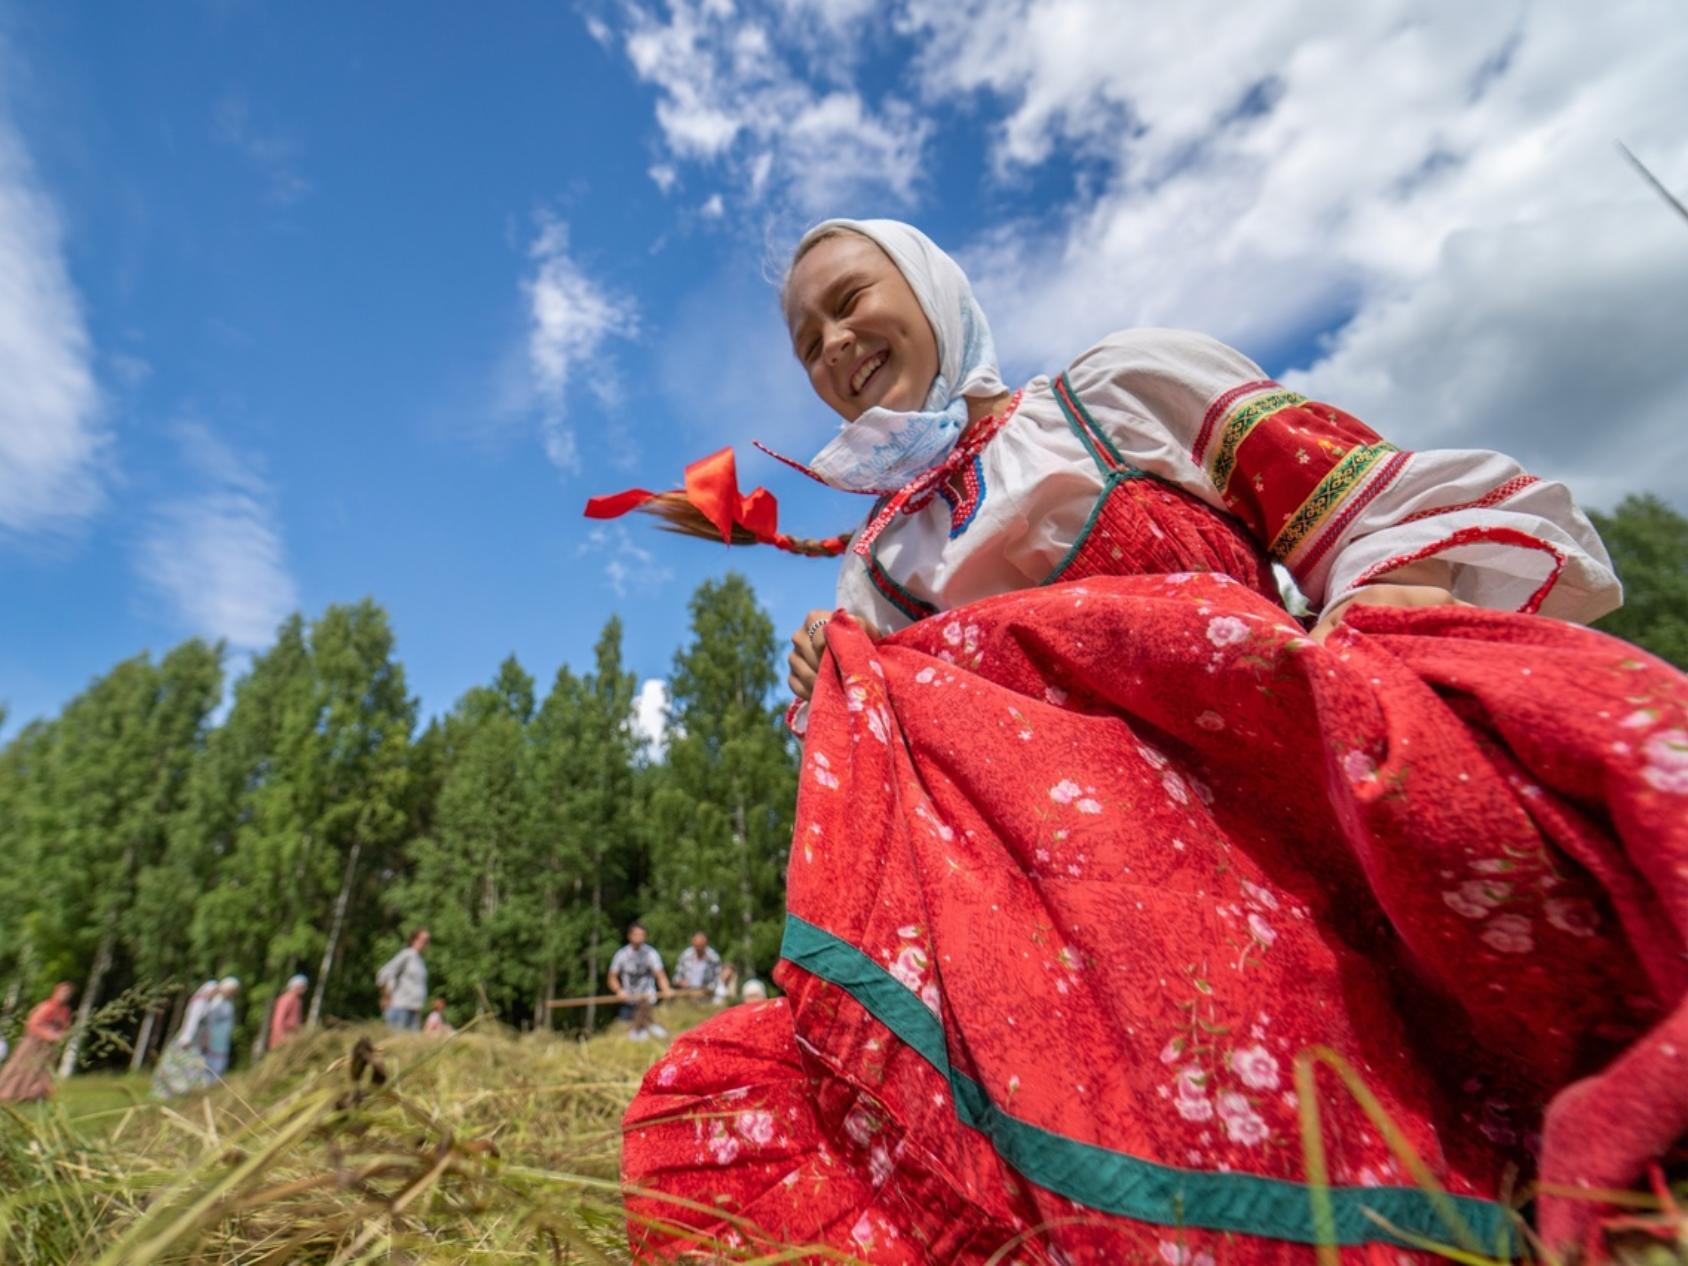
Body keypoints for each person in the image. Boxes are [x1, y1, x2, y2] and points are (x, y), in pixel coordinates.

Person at [596, 219, 1688, 1260]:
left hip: (1289, 838)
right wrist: (839, 689)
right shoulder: (876, 573)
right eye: (805, 343)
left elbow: (1363, 525)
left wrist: (1367, 693)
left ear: (931, 295)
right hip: (1065, 945)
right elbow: (906, 826)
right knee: (713, 1102)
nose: (832, 345)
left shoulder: (1115, 394)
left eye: (848, 302)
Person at [0, 982, 74, 1103]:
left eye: (68, 993)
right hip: (34, 1044)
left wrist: (63, 1035)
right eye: (63, 992)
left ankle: (33, 1095)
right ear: (56, 991)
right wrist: (50, 1035)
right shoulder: (46, 1006)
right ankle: (8, 1093)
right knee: (22, 1068)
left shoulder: (65, 1011)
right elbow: (33, 1024)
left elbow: (66, 1026)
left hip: (49, 1048)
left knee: (42, 1072)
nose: (65, 995)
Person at [607, 923, 673, 1041]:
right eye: (636, 934)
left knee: (648, 1030)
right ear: (629, 936)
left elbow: (660, 975)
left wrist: (666, 989)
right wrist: (618, 990)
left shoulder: (651, 954)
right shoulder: (621, 955)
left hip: (646, 999)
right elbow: (612, 977)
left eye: (642, 935)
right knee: (626, 1032)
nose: (639, 937)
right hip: (628, 1000)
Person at [376, 928, 430, 1031]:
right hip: (401, 1008)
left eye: (428, 941)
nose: (426, 943)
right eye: (424, 940)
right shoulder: (407, 955)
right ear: (414, 940)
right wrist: (385, 997)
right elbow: (384, 973)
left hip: (414, 1010)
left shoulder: (419, 960)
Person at [672, 932, 725, 1001]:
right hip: (687, 995)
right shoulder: (685, 955)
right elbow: (676, 977)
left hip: (706, 996)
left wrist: (708, 988)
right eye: (697, 946)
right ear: (693, 943)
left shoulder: (713, 958)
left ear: (706, 944)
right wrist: (681, 982)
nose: (699, 949)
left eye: (701, 946)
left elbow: (717, 978)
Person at [203, 977, 240, 1077]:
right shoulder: (217, 1001)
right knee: (210, 1066)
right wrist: (207, 1038)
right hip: (213, 1039)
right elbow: (209, 1021)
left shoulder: (229, 1002)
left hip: (222, 1041)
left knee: (219, 1066)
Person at [268, 974, 308, 1050]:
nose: (305, 989)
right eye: (303, 986)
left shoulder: (297, 1000)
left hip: (292, 1037)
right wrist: (282, 1037)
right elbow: (278, 1020)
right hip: (283, 1039)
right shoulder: (287, 999)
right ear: (296, 986)